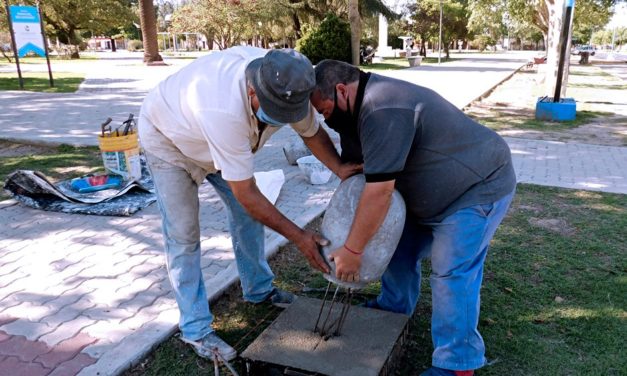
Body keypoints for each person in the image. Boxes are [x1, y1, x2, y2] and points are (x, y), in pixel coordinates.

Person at [138, 47, 356, 361]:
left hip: (220, 144)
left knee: (250, 216)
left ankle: (259, 290)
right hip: (171, 141)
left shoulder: (290, 84)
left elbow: (311, 133)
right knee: (184, 235)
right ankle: (196, 329)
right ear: (252, 89)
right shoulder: (222, 108)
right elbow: (247, 194)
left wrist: (339, 168)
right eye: (274, 112)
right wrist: (300, 237)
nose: (281, 120)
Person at [309, 60, 516, 376]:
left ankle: (457, 364)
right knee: (398, 250)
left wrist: (352, 251)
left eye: (324, 111)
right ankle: (393, 309)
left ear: (341, 90)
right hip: (425, 195)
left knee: (452, 273)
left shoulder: (382, 109)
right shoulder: (354, 111)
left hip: (476, 188)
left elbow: (379, 193)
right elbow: (365, 184)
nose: (326, 120)